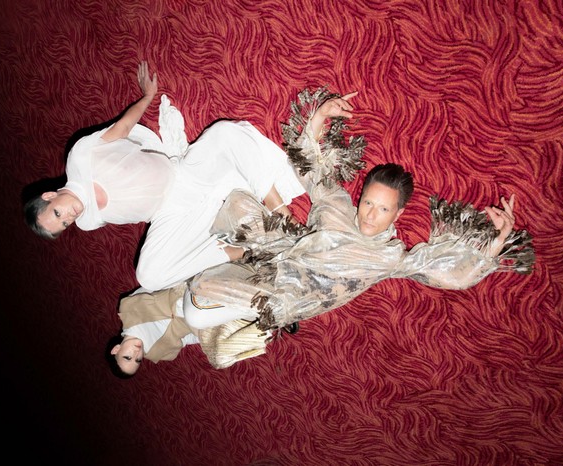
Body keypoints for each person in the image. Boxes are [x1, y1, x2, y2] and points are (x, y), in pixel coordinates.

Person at [107, 87, 534, 373]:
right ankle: (207, 285)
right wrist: (320, 115)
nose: (370, 216)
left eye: (383, 210)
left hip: (284, 297)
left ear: (398, 215)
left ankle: (226, 318)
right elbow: (312, 166)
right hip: (276, 256)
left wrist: (494, 244)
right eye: (368, 203)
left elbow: (444, 271)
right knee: (234, 207)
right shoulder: (337, 207)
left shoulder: (390, 256)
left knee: (198, 304)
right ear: (360, 196)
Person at [24, 61, 305, 290]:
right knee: (149, 277)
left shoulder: (79, 157)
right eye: (64, 224)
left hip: (183, 177)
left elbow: (123, 127)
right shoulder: (87, 222)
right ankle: (245, 251)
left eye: (58, 213)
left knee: (224, 134)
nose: (69, 218)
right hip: (169, 214)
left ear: (50, 195)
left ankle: (279, 211)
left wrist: (147, 96)